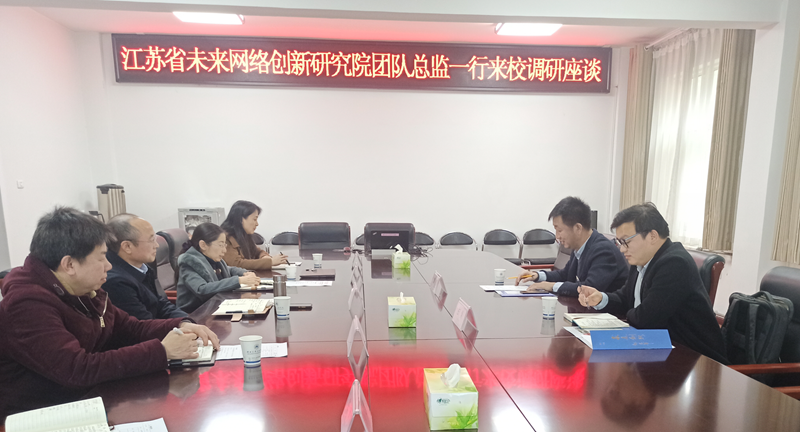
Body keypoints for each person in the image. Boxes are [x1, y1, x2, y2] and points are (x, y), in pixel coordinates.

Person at [0, 207, 219, 421]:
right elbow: (77, 369)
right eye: (102, 258)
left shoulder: (83, 289)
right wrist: (162, 351)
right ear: (69, 265)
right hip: (44, 416)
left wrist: (180, 325)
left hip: (92, 399)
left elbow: (130, 327)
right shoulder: (26, 304)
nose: (108, 266)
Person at [578, 203, 728, 364]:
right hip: (662, 351)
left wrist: (630, 312)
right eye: (619, 242)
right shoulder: (642, 260)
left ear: (652, 236)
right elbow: (626, 298)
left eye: (626, 241)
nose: (622, 249)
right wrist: (601, 299)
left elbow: (646, 319)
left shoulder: (675, 263)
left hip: (696, 360)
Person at [516, 197, 628, 297]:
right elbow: (565, 274)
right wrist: (537, 275)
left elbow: (589, 288)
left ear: (578, 228)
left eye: (560, 230)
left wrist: (551, 286)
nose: (557, 236)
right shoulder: (580, 246)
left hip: (606, 312)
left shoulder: (604, 250)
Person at [103, 214, 188, 320]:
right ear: (127, 246)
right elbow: (143, 324)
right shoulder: (116, 283)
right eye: (151, 240)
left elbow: (160, 304)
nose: (156, 245)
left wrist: (186, 321)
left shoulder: (142, 268)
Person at [176, 222, 260, 313]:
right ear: (203, 245)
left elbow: (229, 269)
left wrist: (244, 273)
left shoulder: (212, 259)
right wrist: (238, 281)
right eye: (220, 245)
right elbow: (202, 290)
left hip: (214, 307)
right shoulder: (189, 262)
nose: (224, 250)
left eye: (225, 245)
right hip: (195, 314)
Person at [220, 200, 288, 270]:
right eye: (254, 219)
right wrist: (270, 262)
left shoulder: (244, 235)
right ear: (241, 219)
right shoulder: (225, 237)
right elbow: (237, 264)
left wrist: (264, 257)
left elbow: (257, 252)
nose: (257, 224)